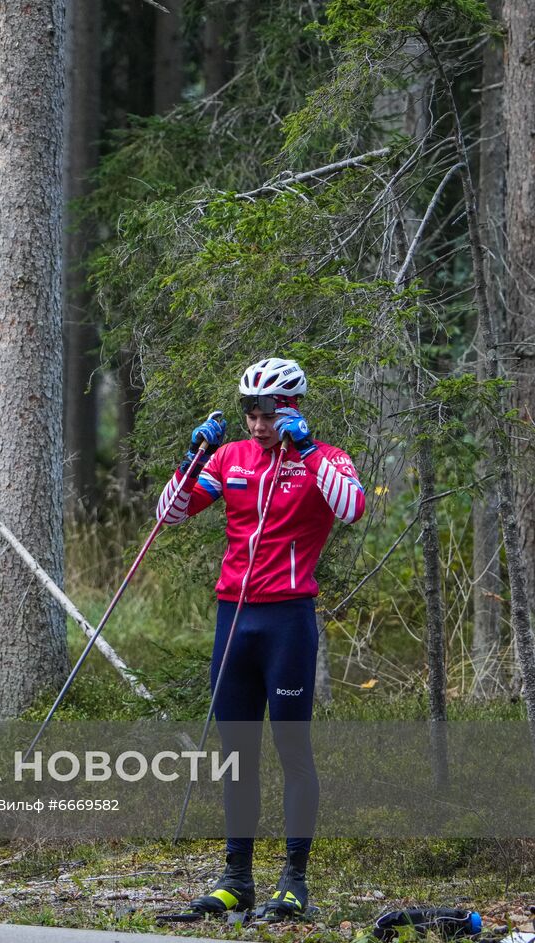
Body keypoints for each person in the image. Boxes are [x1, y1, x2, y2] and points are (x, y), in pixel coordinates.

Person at [155, 357, 366, 919]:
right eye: (250, 410)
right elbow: (169, 515)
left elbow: (352, 509)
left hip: (287, 621)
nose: (257, 421)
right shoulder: (231, 457)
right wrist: (194, 457)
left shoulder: (326, 460)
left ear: (291, 407)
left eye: (268, 410)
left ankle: (294, 880)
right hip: (234, 620)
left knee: (292, 751)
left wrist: (312, 451)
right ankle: (236, 879)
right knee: (236, 754)